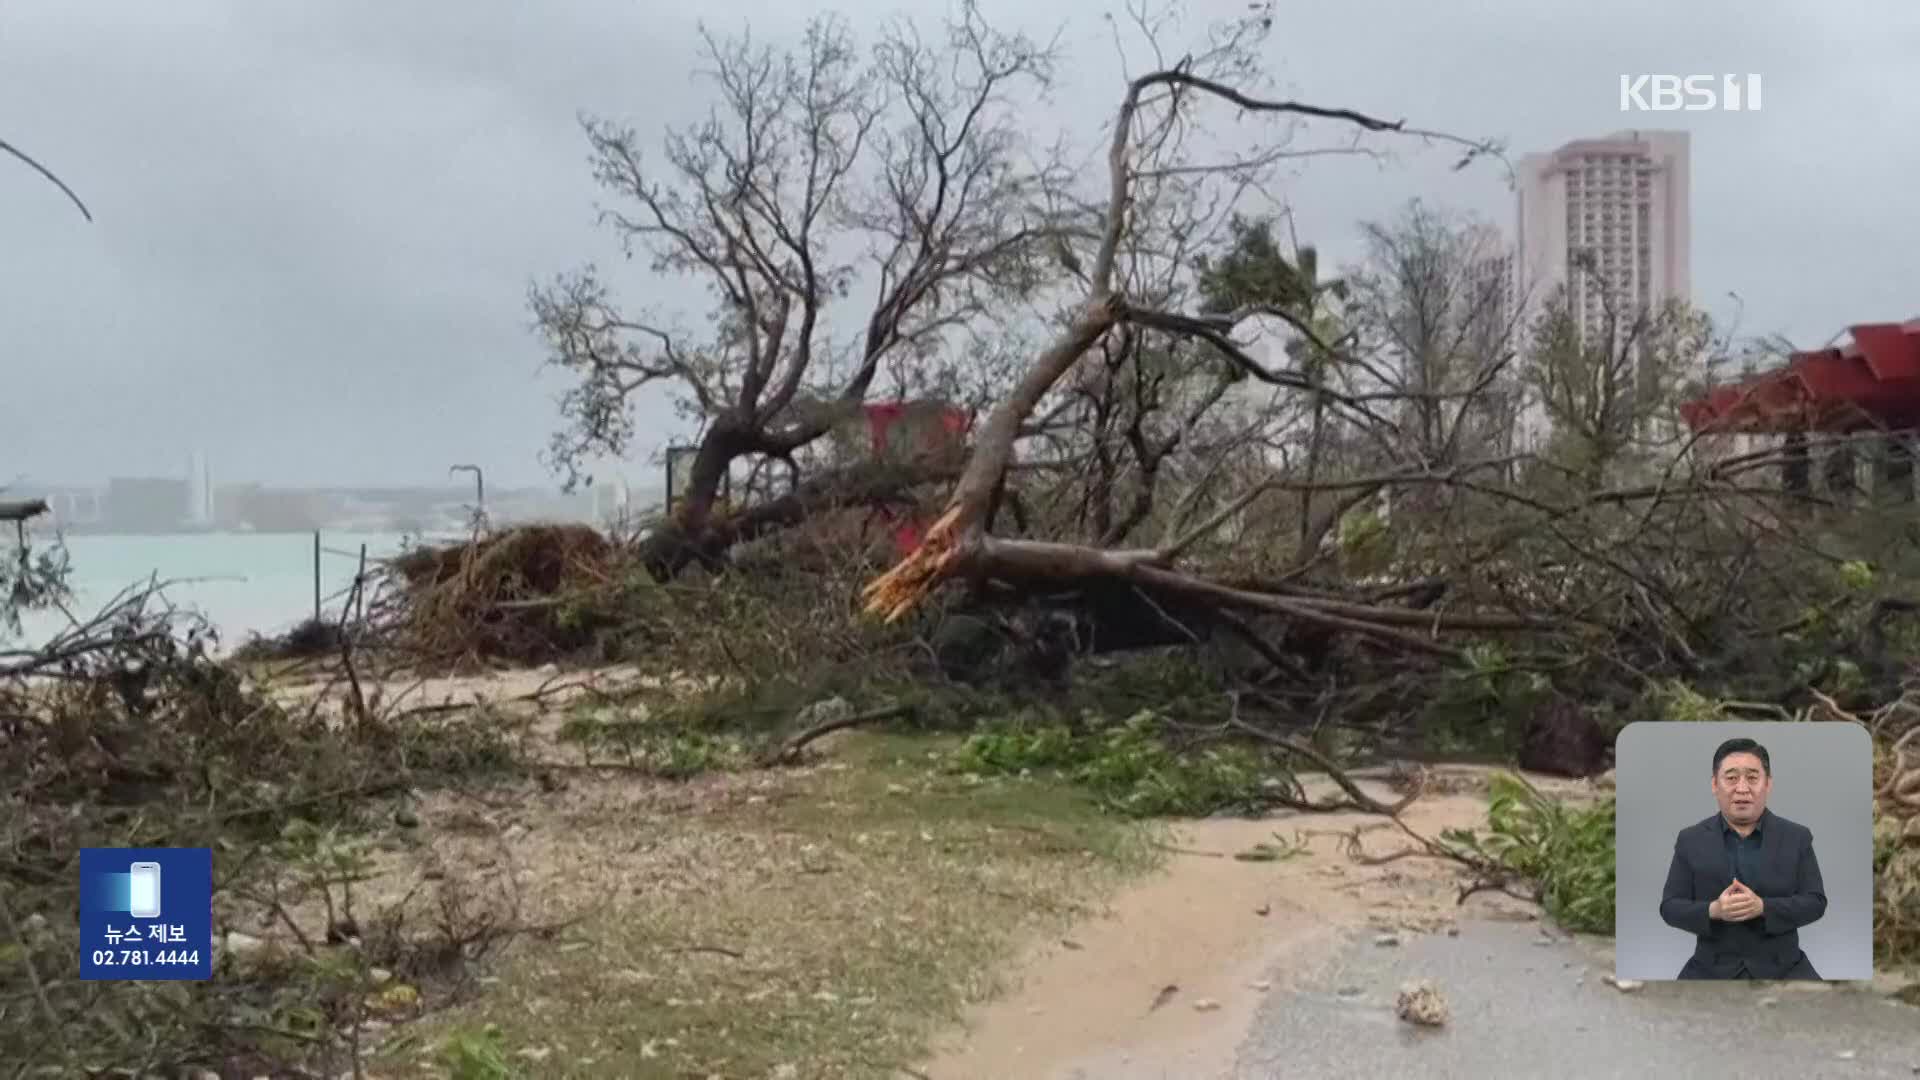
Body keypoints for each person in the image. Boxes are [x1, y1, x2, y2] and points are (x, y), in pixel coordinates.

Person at [1657, 737, 1828, 979]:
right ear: (1715, 785)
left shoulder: (1796, 837)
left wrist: (1764, 908)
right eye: (1731, 778)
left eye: (1752, 777)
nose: (1742, 788)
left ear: (1768, 784)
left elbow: (1816, 902)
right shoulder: (1690, 839)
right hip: (1711, 967)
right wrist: (1714, 910)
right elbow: (1670, 907)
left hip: (1784, 966)